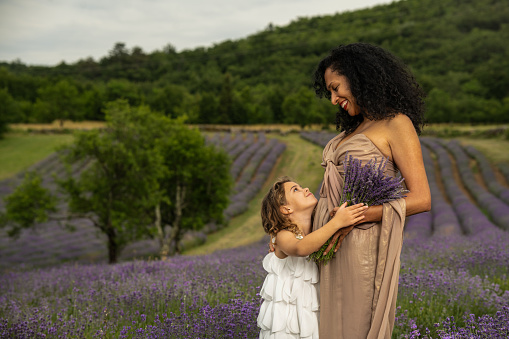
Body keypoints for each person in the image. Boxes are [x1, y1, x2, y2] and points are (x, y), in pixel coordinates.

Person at [311, 42, 431, 338]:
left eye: (336, 88)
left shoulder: (396, 124)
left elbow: (421, 198)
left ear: (358, 77)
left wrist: (358, 216)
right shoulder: (352, 130)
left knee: (353, 326)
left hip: (360, 248)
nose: (333, 99)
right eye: (329, 92)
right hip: (326, 243)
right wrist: (288, 231)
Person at [257, 176, 368, 339]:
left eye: (301, 186)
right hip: (287, 318)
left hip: (310, 311)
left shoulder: (317, 231)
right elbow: (300, 248)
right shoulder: (282, 236)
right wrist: (337, 222)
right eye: (296, 190)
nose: (306, 189)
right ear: (286, 209)